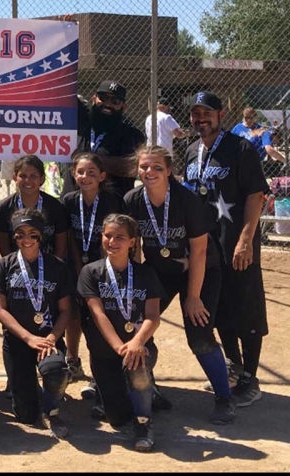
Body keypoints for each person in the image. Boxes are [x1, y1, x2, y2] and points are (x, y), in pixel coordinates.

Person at [124, 145, 236, 424]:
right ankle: (147, 387)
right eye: (144, 167)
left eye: (157, 167)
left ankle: (224, 398)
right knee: (136, 326)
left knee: (198, 333)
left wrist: (193, 296)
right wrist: (135, 285)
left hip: (199, 271)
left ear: (169, 171)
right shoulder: (133, 199)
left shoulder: (186, 200)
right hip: (159, 271)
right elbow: (133, 245)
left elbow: (199, 250)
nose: (149, 172)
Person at [183, 91, 269, 407]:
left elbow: (255, 195)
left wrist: (246, 239)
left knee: (246, 308)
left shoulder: (240, 148)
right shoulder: (192, 151)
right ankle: (232, 368)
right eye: (195, 113)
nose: (200, 119)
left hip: (236, 245)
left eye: (207, 113)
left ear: (220, 115)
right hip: (207, 249)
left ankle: (251, 377)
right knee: (217, 310)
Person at [77, 214, 163, 452]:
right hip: (106, 351)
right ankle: (142, 393)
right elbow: (98, 314)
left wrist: (136, 342)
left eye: (120, 237)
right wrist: (119, 347)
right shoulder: (90, 272)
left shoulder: (146, 273)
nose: (112, 242)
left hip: (138, 346)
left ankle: (144, 423)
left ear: (132, 242)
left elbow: (152, 317)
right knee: (117, 419)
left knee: (137, 367)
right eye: (108, 236)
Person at [0, 209, 71, 438]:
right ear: (14, 237)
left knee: (54, 371)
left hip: (48, 339)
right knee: (25, 415)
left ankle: (52, 410)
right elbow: (1, 310)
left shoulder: (57, 266)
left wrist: (52, 337)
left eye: (33, 234)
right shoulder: (4, 266)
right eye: (20, 234)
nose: (26, 239)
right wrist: (28, 338)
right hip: (18, 341)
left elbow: (65, 311)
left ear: (41, 236)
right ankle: (29, 390)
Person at [62, 152, 124, 385]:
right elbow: (68, 237)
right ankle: (73, 361)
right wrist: (79, 268)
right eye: (80, 172)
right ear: (73, 174)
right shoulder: (68, 200)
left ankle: (102, 366)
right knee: (75, 314)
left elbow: (118, 237)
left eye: (91, 173)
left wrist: (104, 269)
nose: (85, 176)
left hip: (105, 266)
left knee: (102, 316)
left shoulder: (112, 201)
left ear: (102, 176)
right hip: (76, 265)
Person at [0, 155, 70, 260]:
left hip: (50, 268)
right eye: (23, 176)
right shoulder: (4, 208)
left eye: (33, 176)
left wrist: (52, 269)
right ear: (15, 178)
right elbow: (4, 248)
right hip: (16, 268)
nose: (28, 180)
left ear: (42, 178)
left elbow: (61, 248)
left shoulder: (56, 208)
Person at [89, 80, 145, 197]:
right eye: (103, 98)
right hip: (75, 204)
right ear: (94, 99)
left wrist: (87, 159)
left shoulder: (132, 135)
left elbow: (132, 167)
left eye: (115, 101)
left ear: (123, 106)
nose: (108, 104)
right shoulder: (78, 129)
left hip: (114, 206)